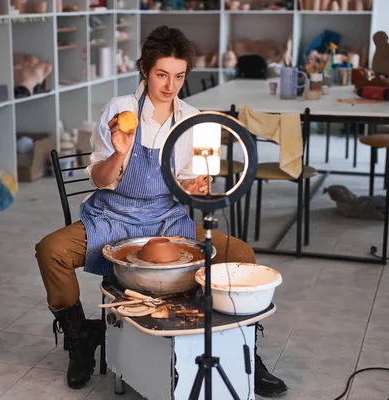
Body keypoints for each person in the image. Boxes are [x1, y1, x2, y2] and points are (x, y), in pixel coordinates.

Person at [35, 25, 287, 397]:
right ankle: (81, 338)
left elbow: (191, 185)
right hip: (112, 216)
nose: (170, 86)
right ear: (145, 70)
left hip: (167, 222)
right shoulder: (119, 110)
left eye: (179, 76)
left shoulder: (193, 119)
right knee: (50, 250)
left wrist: (195, 188)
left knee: (241, 255)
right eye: (162, 75)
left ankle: (244, 349)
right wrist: (121, 152)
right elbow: (101, 180)